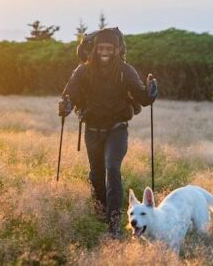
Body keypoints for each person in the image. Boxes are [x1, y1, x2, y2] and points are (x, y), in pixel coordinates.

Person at [58, 28, 158, 238]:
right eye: (101, 48)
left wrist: (151, 92)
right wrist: (66, 106)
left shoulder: (125, 70)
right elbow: (70, 96)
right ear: (94, 49)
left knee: (112, 169)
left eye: (109, 48)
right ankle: (101, 212)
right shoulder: (83, 71)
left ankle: (114, 223)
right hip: (92, 130)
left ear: (116, 49)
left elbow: (142, 98)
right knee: (96, 175)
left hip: (117, 129)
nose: (105, 51)